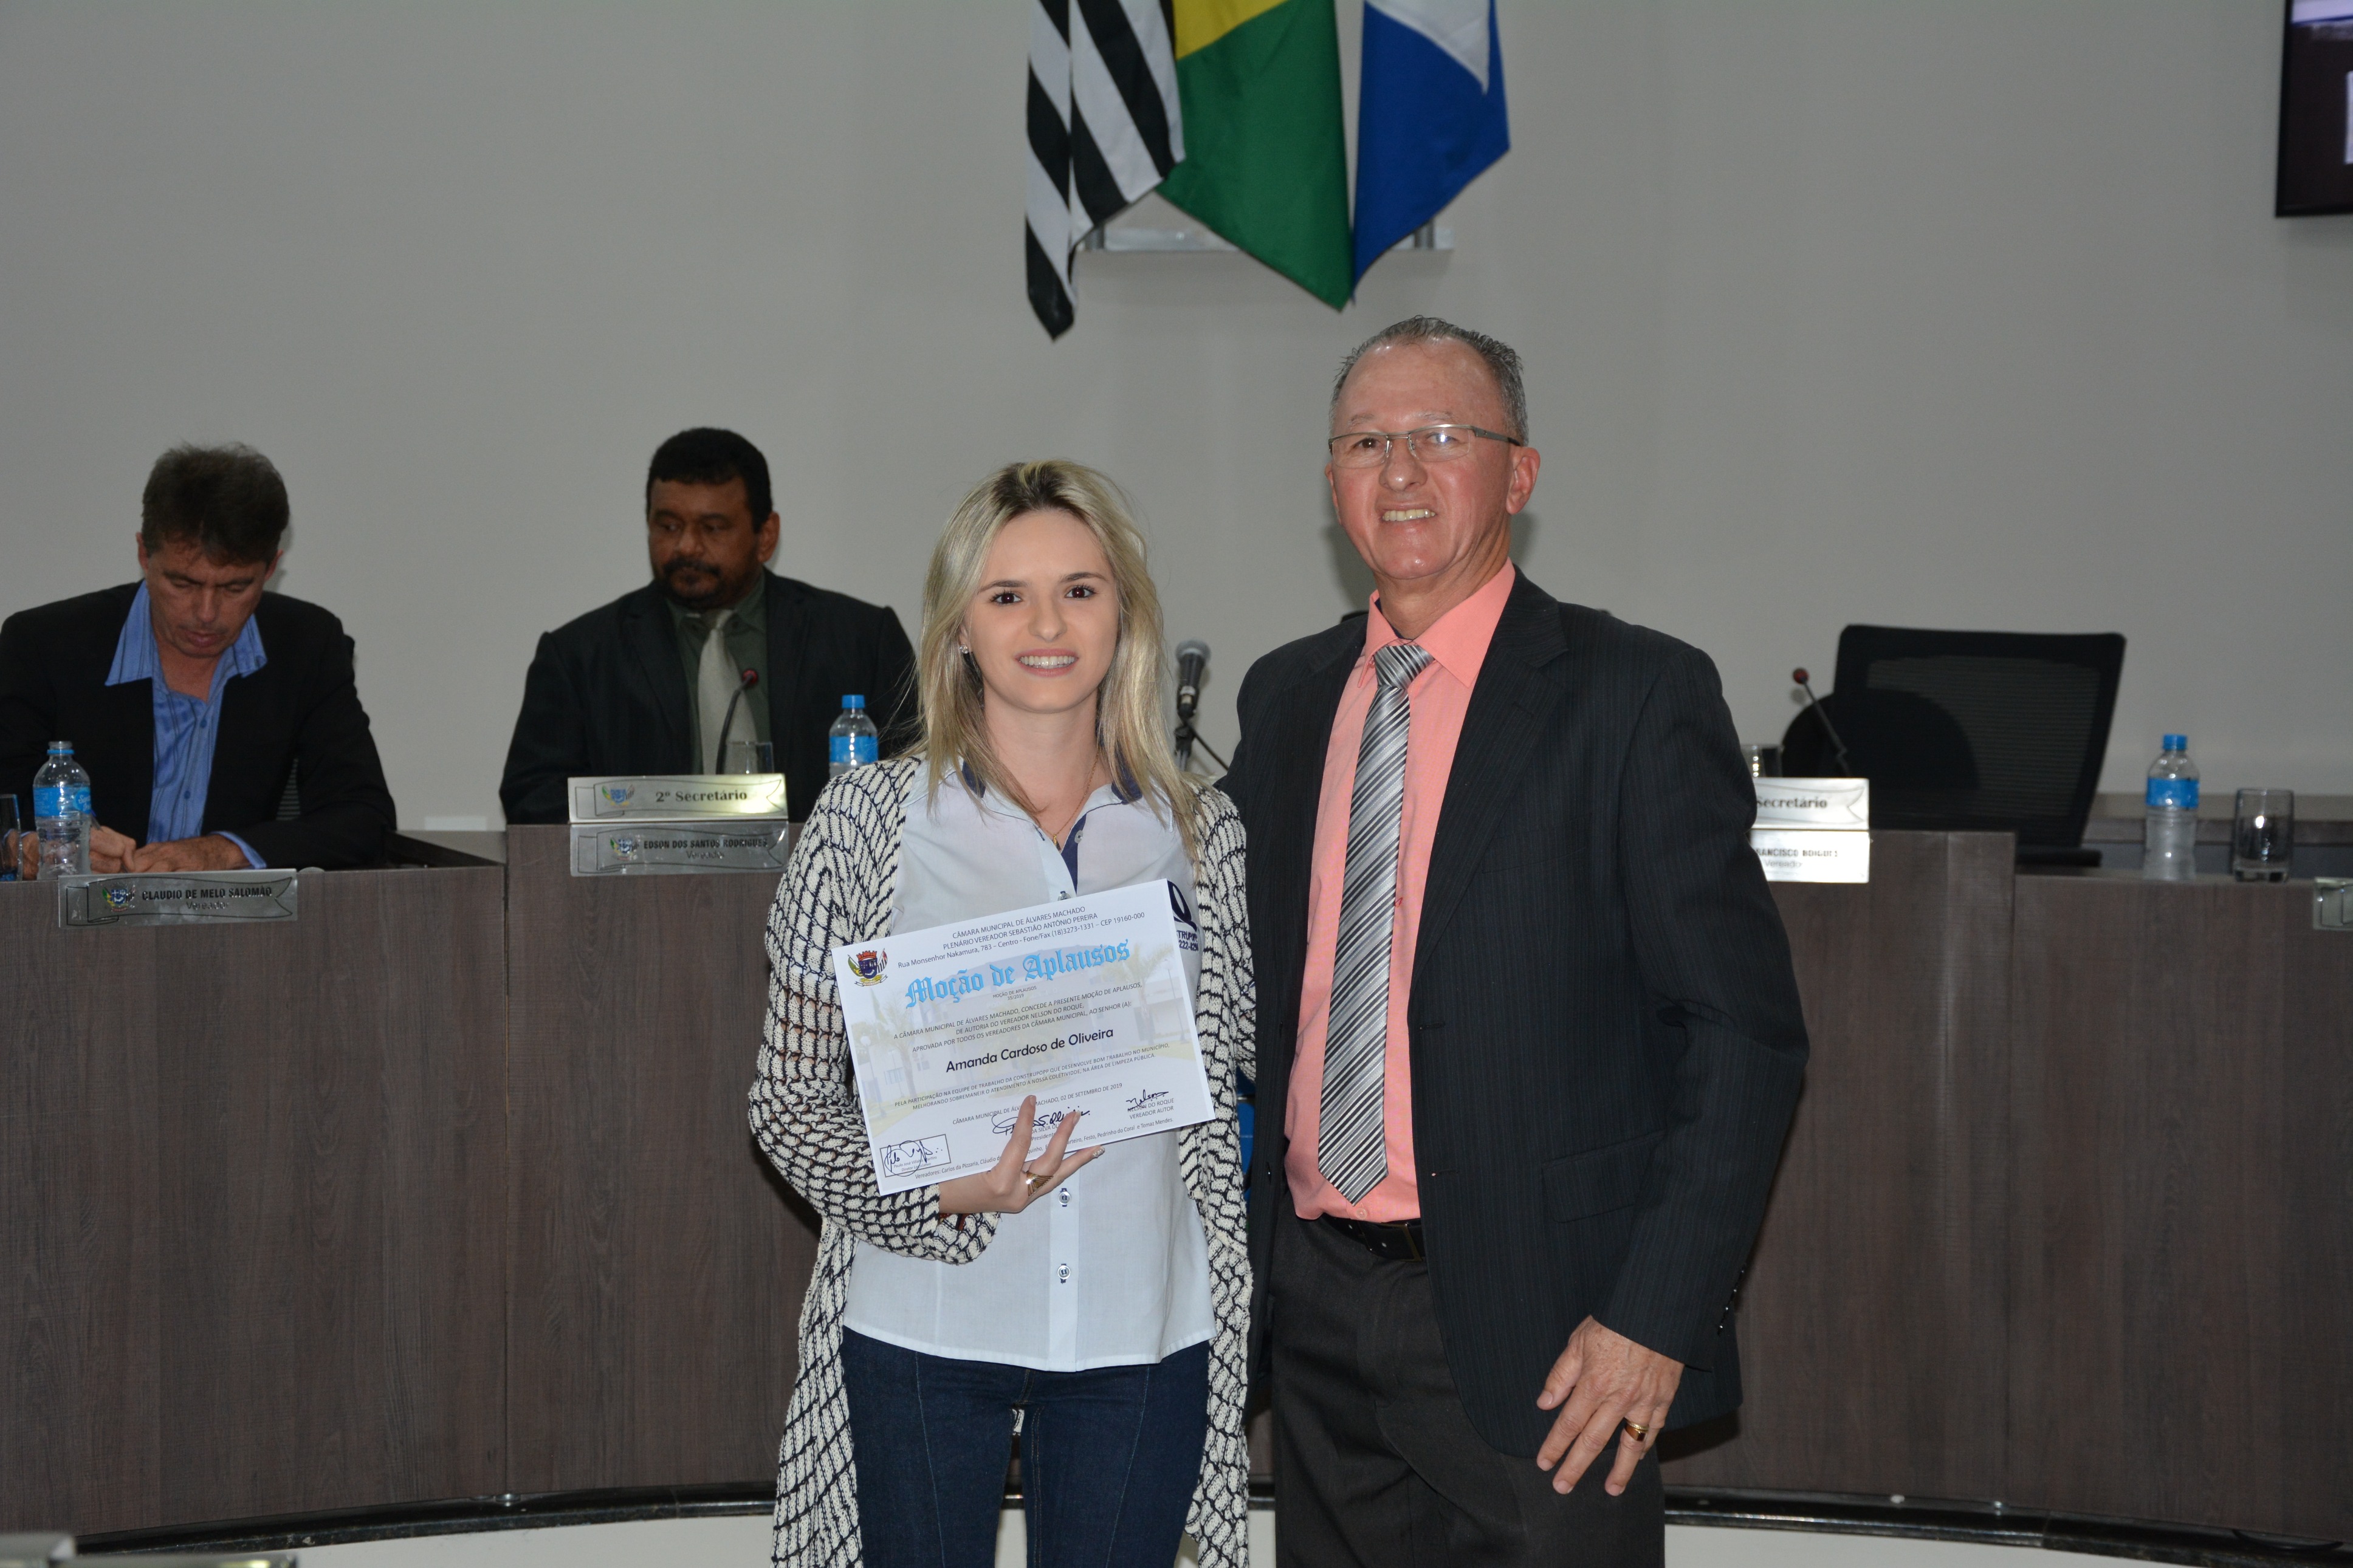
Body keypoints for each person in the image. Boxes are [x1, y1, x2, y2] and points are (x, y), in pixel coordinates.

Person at [1219, 317, 1809, 1567]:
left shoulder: (1635, 694)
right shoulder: (1283, 698)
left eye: (1440, 436)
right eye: (1366, 443)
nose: (1398, 471)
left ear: (1518, 475)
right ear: (1331, 481)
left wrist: (1653, 1316)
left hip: (1551, 1333)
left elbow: (1744, 1036)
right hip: (1313, 1310)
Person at [747, 460, 1254, 1568]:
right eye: (1008, 594)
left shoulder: (1203, 834)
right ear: (959, 628)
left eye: (1080, 590)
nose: (1047, 625)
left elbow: (1241, 1078)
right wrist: (941, 1189)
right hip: (928, 1320)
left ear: (1125, 614)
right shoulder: (868, 822)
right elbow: (786, 1107)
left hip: (1143, 1329)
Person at [0, 442, 396, 877]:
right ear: (144, 555)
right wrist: (26, 848)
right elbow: (5, 813)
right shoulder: (44, 645)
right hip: (82, 915)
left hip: (233, 916)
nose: (206, 614)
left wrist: (222, 852)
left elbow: (364, 817)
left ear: (271, 569)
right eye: (183, 584)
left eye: (234, 588)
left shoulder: (307, 646)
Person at [500, 428, 917, 823]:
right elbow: (533, 797)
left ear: (766, 536)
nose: (686, 546)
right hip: (642, 876)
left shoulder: (861, 640)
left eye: (712, 528)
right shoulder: (580, 657)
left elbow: (922, 781)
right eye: (668, 526)